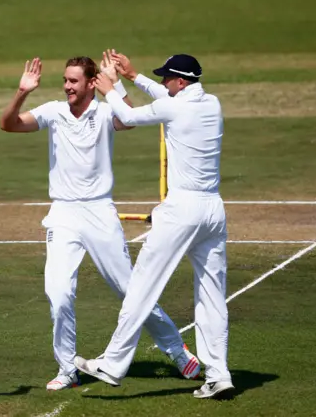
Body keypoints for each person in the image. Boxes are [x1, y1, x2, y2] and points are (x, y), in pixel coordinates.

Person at [0, 54, 201, 391]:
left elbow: (130, 120)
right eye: (65, 80)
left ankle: (177, 350)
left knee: (129, 289)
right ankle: (67, 368)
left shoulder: (106, 110)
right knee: (58, 293)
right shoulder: (53, 111)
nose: (66, 86)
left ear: (91, 83)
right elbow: (9, 124)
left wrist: (115, 85)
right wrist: (22, 92)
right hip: (63, 213)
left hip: (99, 213)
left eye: (73, 81)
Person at [74, 52, 234, 399]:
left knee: (142, 285)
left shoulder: (175, 106)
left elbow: (128, 115)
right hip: (213, 211)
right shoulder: (211, 103)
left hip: (183, 210)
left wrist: (110, 88)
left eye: (166, 79)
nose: (162, 83)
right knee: (212, 296)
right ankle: (218, 374)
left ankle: (113, 364)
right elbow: (167, 101)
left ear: (180, 81)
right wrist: (134, 76)